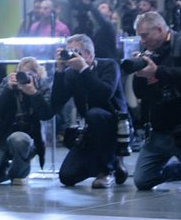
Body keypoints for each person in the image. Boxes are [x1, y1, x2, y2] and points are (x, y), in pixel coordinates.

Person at [131, 12, 181, 193]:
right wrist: (140, 73)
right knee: (142, 180)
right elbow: (140, 93)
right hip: (161, 128)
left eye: (144, 35)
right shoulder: (148, 52)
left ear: (159, 29)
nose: (142, 41)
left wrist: (157, 71)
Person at [52, 34, 129, 188]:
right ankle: (110, 163)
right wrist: (59, 72)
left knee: (95, 114)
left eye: (75, 51)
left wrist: (84, 69)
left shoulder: (109, 66)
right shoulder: (71, 74)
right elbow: (56, 102)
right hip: (90, 131)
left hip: (114, 126)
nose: (71, 55)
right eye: (68, 51)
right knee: (67, 176)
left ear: (88, 54)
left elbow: (104, 93)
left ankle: (106, 171)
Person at [0, 57, 52, 186]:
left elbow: (46, 114)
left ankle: (20, 172)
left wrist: (33, 93)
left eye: (29, 74)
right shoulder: (7, 83)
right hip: (1, 135)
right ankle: (6, 170)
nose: (24, 78)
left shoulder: (42, 85)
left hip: (28, 137)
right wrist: (8, 90)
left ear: (37, 74)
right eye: (21, 73)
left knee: (18, 139)